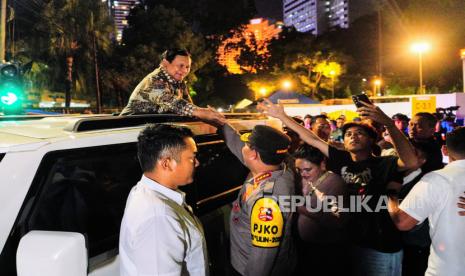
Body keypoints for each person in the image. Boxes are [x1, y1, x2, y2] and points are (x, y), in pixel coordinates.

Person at [258, 99, 419, 276]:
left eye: (359, 133)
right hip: (348, 241)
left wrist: (389, 124)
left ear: (372, 140)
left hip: (379, 244)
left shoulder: (384, 163)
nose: (353, 136)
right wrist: (282, 116)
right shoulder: (341, 159)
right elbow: (311, 138)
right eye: (348, 134)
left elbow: (411, 161)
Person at [210, 116, 296, 275]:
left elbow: (261, 261)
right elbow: (237, 145)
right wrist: (220, 123)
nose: (242, 146)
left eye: (247, 145)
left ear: (253, 155)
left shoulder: (267, 202)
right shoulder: (281, 168)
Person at [119, 124, 208, 276]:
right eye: (192, 158)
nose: (197, 163)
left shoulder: (146, 191)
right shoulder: (159, 217)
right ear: (167, 163)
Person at [389, 126, 465, 276]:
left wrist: (390, 196)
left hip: (448, 270)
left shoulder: (437, 179)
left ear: (444, 150)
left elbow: (402, 221)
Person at [120, 48, 224, 123]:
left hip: (151, 128)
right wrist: (201, 112)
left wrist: (207, 114)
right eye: (180, 66)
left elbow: (188, 107)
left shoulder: (180, 82)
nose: (184, 71)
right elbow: (171, 102)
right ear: (165, 63)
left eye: (187, 67)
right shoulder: (154, 80)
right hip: (127, 128)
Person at [293, 145, 348, 275]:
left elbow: (338, 221)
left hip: (326, 250)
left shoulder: (335, 183)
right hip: (307, 246)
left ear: (322, 164)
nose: (303, 174)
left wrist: (303, 209)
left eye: (307, 170)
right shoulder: (306, 179)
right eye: (299, 170)